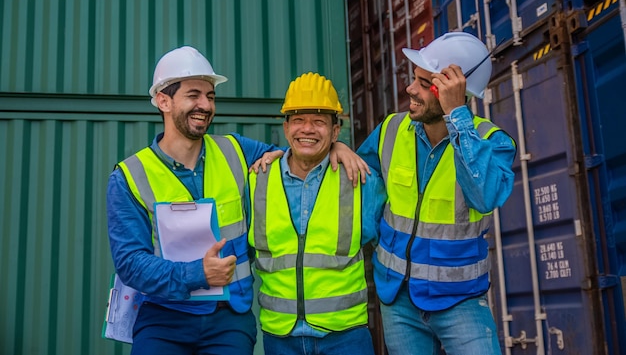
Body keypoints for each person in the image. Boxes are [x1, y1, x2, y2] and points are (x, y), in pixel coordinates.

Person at [106, 46, 367, 355]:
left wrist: (338, 147)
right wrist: (196, 275)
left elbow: (300, 151)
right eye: (194, 95)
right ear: (163, 100)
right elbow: (130, 263)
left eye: (210, 96)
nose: (205, 105)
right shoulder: (129, 176)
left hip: (229, 322)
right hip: (164, 319)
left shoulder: (237, 152)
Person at [357, 32, 517, 355]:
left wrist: (457, 117)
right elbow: (360, 191)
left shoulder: (493, 142)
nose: (410, 90)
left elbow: (484, 196)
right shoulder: (390, 130)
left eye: (423, 83)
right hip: (397, 298)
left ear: (453, 92)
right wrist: (338, 150)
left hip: (460, 301)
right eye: (413, 79)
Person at [248, 72, 386, 355]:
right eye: (298, 120)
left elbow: (391, 249)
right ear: (286, 128)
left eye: (319, 121)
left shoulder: (361, 181)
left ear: (336, 131)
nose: (307, 129)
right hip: (279, 337)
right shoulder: (255, 181)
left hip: (345, 337)